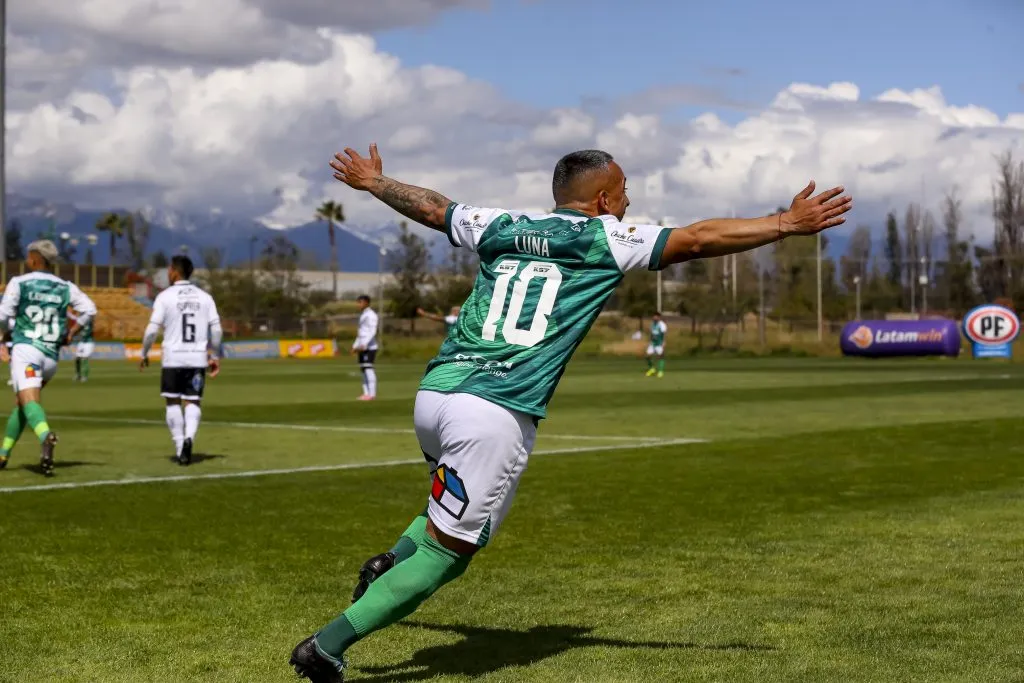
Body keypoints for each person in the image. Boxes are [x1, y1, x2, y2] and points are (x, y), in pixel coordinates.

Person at [288, 144, 851, 682]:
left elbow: (434, 208)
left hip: (435, 395)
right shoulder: (609, 237)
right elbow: (699, 239)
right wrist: (785, 224)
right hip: (495, 410)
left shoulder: (500, 224)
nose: (628, 200)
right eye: (624, 190)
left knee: (449, 508)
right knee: (449, 552)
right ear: (603, 199)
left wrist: (375, 182)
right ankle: (327, 647)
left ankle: (391, 561)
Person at [0, 241, 97, 475]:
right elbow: (91, 309)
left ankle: (45, 437)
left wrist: (2, 339)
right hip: (51, 358)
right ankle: (3, 454)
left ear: (35, 259)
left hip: (27, 351)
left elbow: (2, 316)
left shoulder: (19, 282)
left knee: (28, 402)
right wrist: (72, 332)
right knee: (23, 404)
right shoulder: (65, 286)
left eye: (28, 256)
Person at [140, 255, 222, 466]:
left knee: (172, 401)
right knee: (193, 401)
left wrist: (144, 353)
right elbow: (217, 330)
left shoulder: (165, 296)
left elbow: (151, 330)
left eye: (169, 269)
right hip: (197, 358)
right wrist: (214, 355)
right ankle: (189, 439)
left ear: (175, 271)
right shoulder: (205, 297)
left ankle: (179, 448)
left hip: (173, 358)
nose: (168, 273)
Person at [352, 295, 379, 401]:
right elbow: (361, 333)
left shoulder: (371, 315)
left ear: (367, 303)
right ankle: (366, 393)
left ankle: (372, 394)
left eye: (360, 302)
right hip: (362, 347)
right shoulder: (363, 314)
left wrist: (365, 344)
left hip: (369, 347)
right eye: (358, 302)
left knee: (368, 368)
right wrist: (355, 345)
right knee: (363, 369)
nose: (358, 304)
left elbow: (372, 331)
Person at [71, 309, 96, 382]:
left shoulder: (90, 321)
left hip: (89, 342)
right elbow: (73, 317)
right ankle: (78, 375)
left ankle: (85, 376)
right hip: (81, 342)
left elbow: (92, 315)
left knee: (85, 358)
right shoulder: (80, 322)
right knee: (77, 358)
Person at [645, 312, 668, 377]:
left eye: (655, 316)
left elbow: (664, 334)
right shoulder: (652, 324)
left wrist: (664, 342)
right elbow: (651, 333)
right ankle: (652, 369)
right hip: (652, 343)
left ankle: (660, 371)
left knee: (660, 356)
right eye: (653, 316)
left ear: (659, 317)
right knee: (647, 356)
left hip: (659, 343)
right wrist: (650, 341)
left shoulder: (662, 324)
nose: (654, 318)